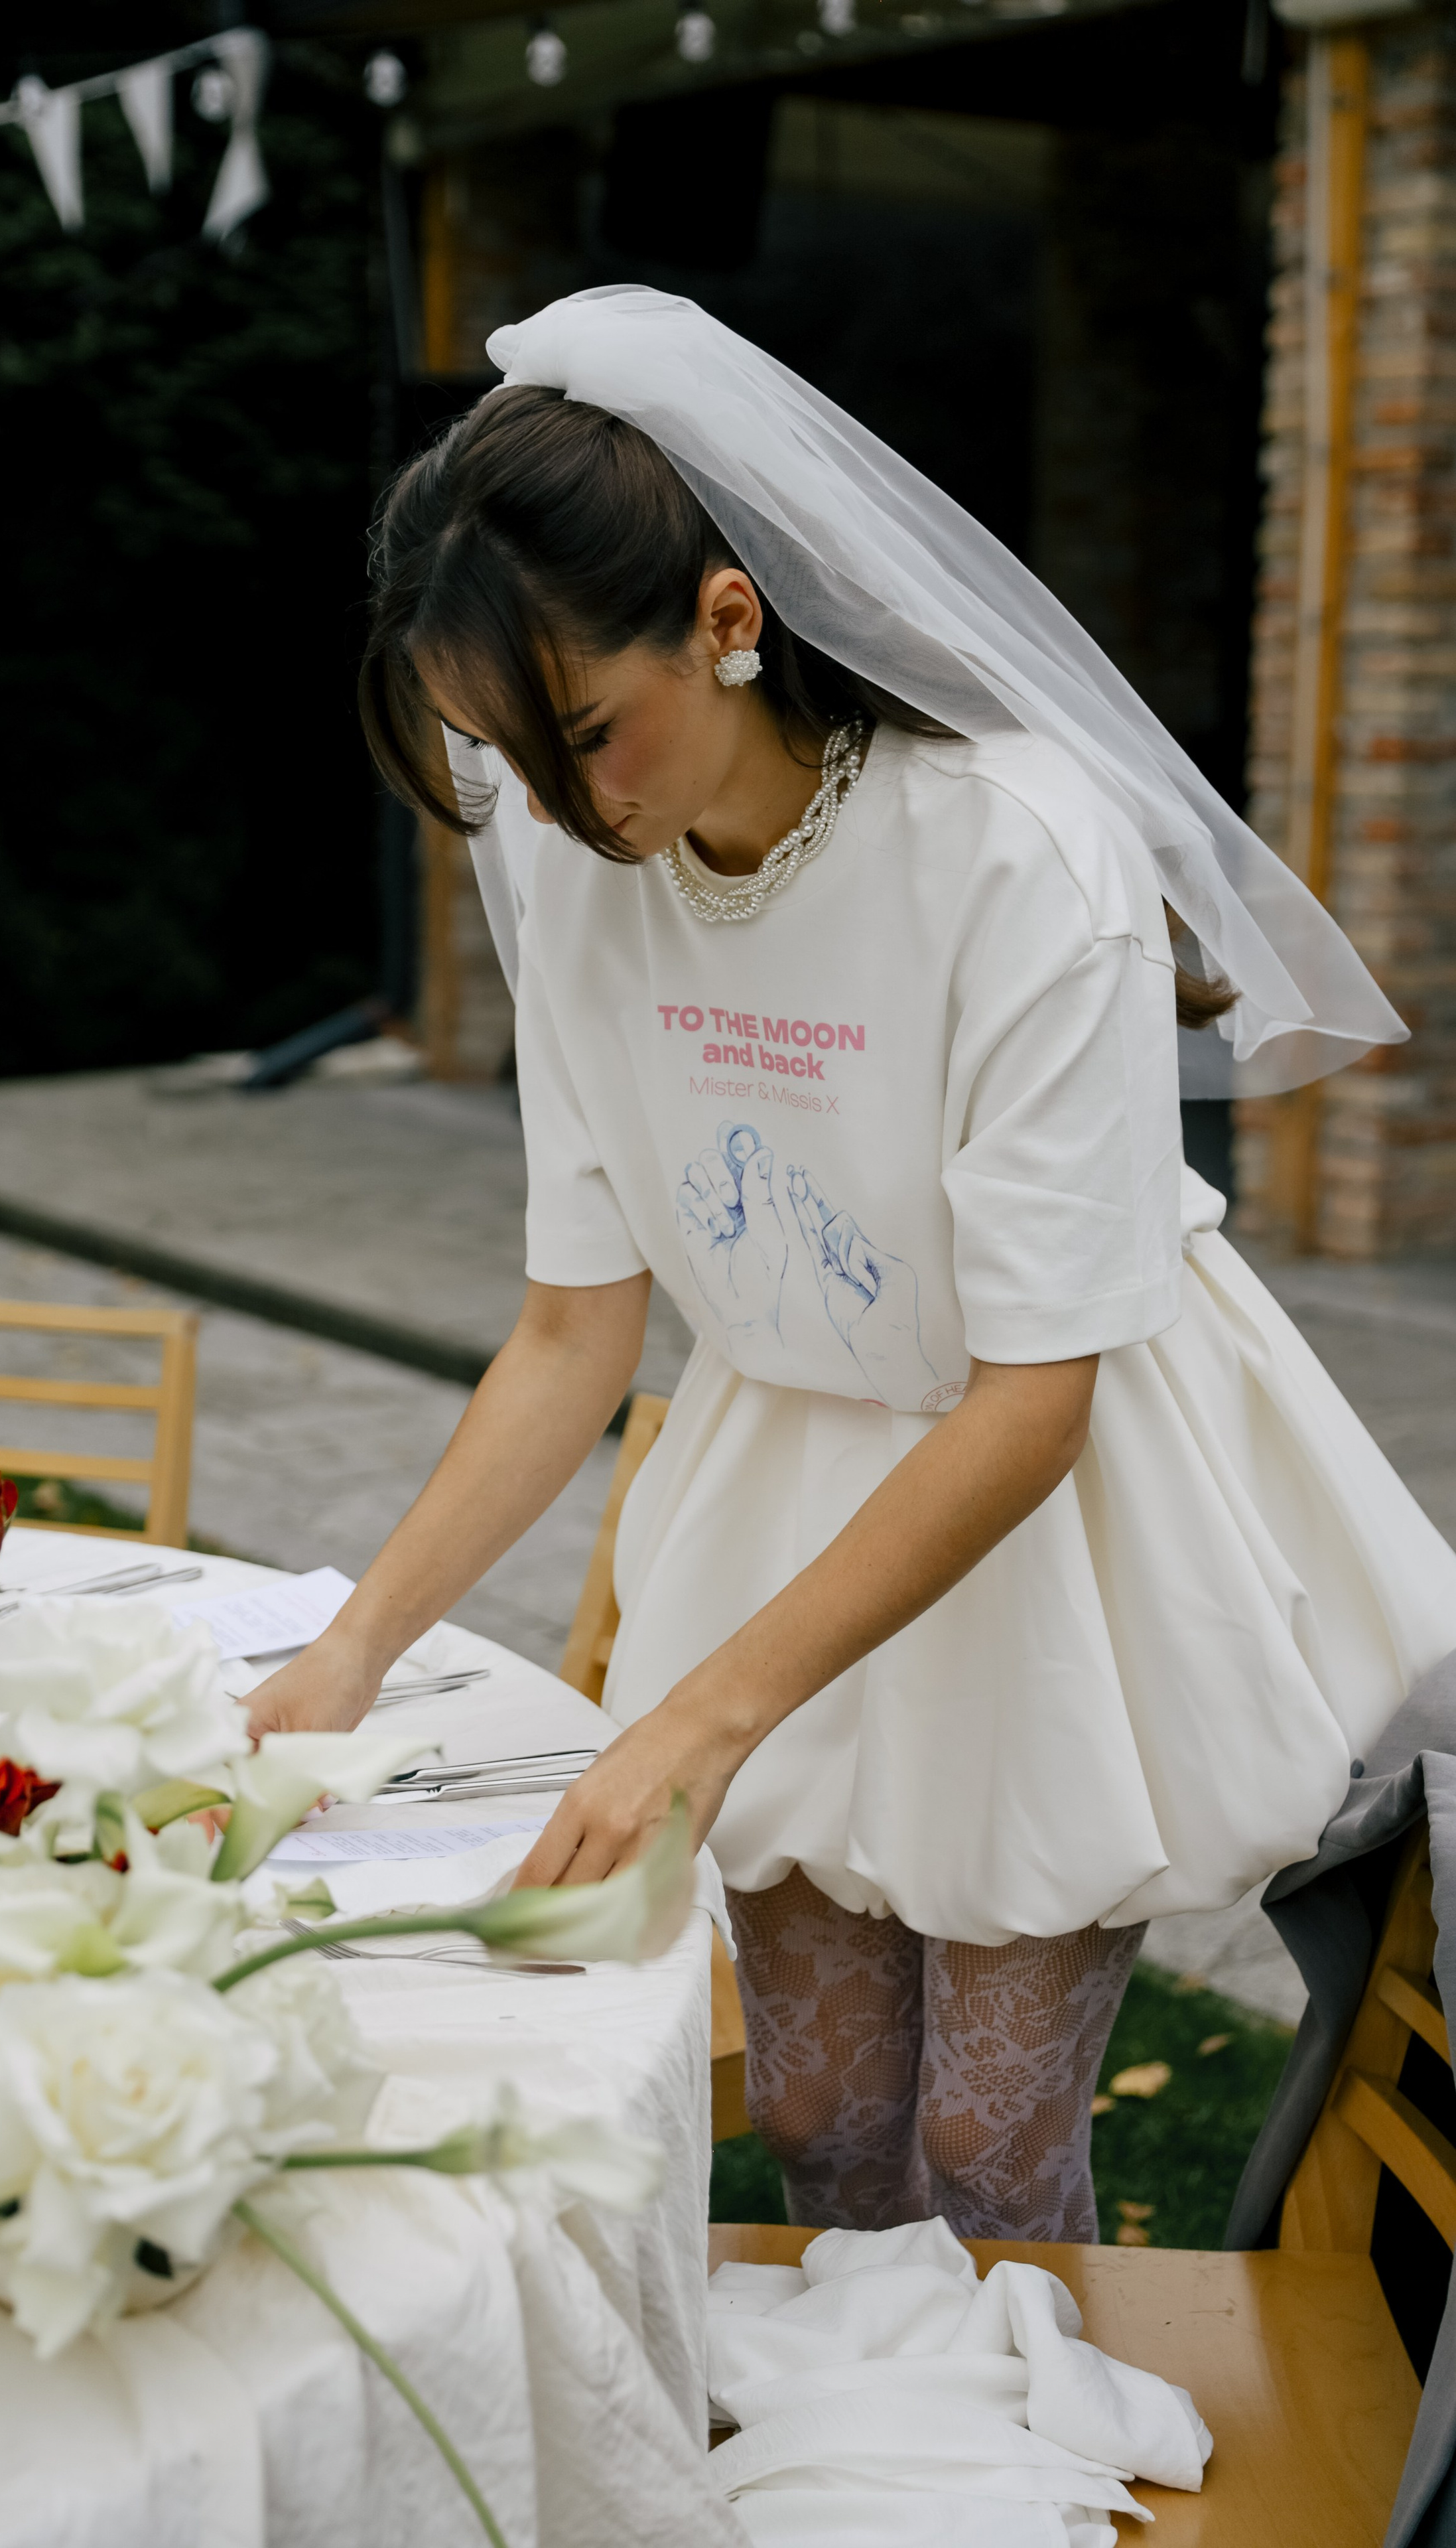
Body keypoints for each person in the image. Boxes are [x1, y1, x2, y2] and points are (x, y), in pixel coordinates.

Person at [247, 289, 1456, 2243]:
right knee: (812, 2114)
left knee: (983, 2157)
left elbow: (1036, 1398)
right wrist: (354, 1641)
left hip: (1040, 1488)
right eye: (502, 758)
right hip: (779, 1461)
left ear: (731, 620)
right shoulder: (569, 854)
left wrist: (699, 1717)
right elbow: (573, 1330)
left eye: (583, 739)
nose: (562, 816)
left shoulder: (1017, 853)